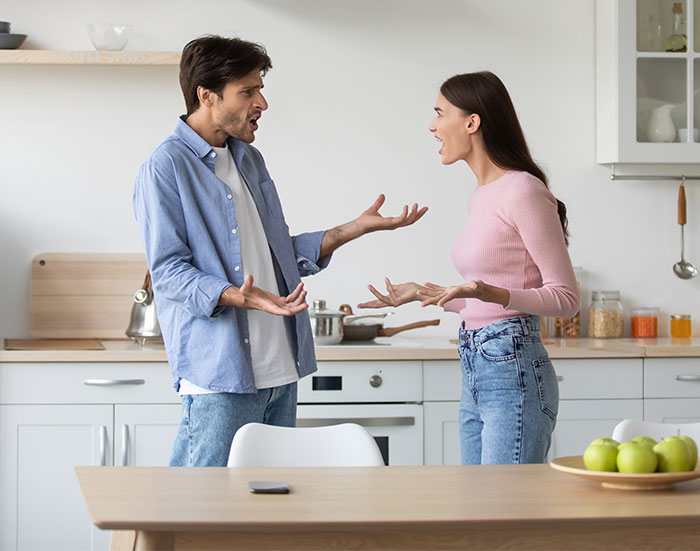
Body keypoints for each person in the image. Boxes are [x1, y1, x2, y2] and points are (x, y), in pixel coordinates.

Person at [133, 35, 427, 467]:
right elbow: (169, 273)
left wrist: (351, 229)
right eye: (248, 91)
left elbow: (275, 255)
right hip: (222, 378)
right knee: (199, 513)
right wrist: (235, 295)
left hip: (280, 371)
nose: (262, 103)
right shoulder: (165, 167)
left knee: (265, 512)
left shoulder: (249, 160)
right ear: (207, 95)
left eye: (260, 89)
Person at [359, 71, 578, 465]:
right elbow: (483, 299)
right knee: (478, 504)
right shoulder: (482, 197)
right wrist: (424, 294)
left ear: (471, 122)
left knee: (503, 511)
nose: (432, 125)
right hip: (478, 361)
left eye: (440, 113)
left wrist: (486, 291)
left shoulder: (523, 190)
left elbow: (566, 299)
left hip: (513, 368)